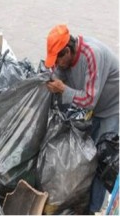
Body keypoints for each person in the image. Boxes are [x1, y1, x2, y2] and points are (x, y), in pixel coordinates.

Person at [44, 24, 119, 214]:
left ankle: (92, 209)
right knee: (87, 154)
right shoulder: (66, 60)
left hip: (112, 108)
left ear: (67, 51)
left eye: (58, 59)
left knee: (103, 159)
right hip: (96, 108)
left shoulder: (92, 56)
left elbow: (88, 100)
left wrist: (62, 89)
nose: (57, 64)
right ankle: (82, 199)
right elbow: (58, 74)